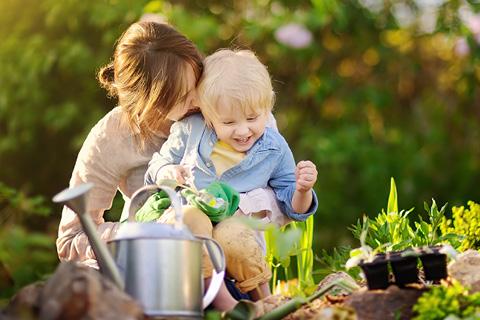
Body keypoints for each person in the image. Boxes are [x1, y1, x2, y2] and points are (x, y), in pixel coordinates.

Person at [145, 48, 319, 311]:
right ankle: (218, 299)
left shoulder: (274, 149)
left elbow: (291, 206)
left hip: (233, 229)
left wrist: (303, 190)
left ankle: (265, 301)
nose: (242, 130)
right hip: (189, 222)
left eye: (252, 118)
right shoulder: (190, 130)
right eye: (228, 122)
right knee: (190, 217)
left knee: (233, 231)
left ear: (266, 108)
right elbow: (156, 164)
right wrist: (165, 171)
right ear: (208, 116)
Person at [56, 20, 203, 267]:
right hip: (151, 267)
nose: (199, 100)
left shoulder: (225, 104)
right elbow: (72, 238)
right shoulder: (113, 135)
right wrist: (137, 233)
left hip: (227, 261)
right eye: (181, 96)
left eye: (198, 83)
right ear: (146, 102)